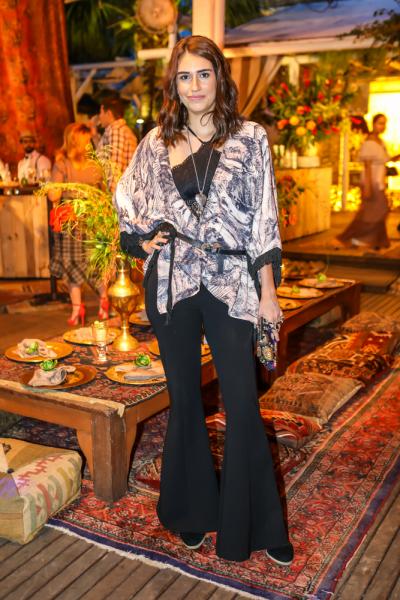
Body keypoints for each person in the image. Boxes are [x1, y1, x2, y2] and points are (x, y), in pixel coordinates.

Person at [115, 35, 293, 564]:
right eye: (184, 76)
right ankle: (193, 511)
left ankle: (257, 525)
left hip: (232, 283)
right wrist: (141, 240)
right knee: (185, 401)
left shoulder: (250, 138)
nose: (194, 86)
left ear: (220, 78)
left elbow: (264, 219)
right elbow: (127, 199)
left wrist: (268, 293)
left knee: (241, 400)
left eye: (203, 74)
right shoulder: (155, 142)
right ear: (174, 84)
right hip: (172, 284)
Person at [47, 123, 104, 325]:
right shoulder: (93, 164)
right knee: (96, 265)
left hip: (74, 222)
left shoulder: (62, 164)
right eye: (86, 140)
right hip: (92, 220)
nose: (89, 144)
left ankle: (78, 310)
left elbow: (53, 195)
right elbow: (103, 192)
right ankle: (103, 305)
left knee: (75, 267)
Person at [334, 113, 400, 250]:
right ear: (373, 124)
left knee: (375, 211)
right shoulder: (369, 142)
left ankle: (371, 240)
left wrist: (396, 157)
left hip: (379, 181)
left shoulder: (380, 142)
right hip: (372, 181)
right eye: (380, 123)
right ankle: (351, 237)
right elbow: (367, 165)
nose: (383, 126)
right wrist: (368, 186)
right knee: (377, 211)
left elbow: (385, 160)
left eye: (384, 123)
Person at [97, 95, 137, 192]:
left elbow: (115, 167)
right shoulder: (122, 130)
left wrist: (111, 195)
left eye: (100, 112)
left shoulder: (116, 131)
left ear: (109, 113)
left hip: (117, 192)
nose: (99, 116)